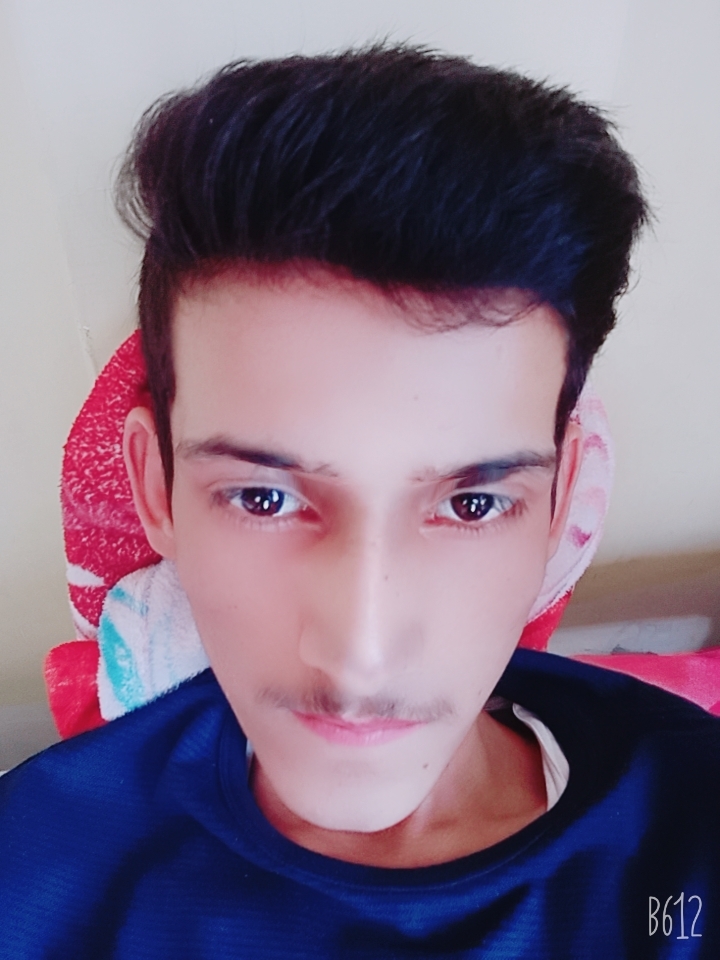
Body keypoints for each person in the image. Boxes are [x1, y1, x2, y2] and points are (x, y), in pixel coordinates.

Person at [2, 44, 720, 957]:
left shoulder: (690, 843)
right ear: (157, 489)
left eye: (472, 506)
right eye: (262, 498)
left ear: (563, 500)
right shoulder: (29, 875)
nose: (361, 651)